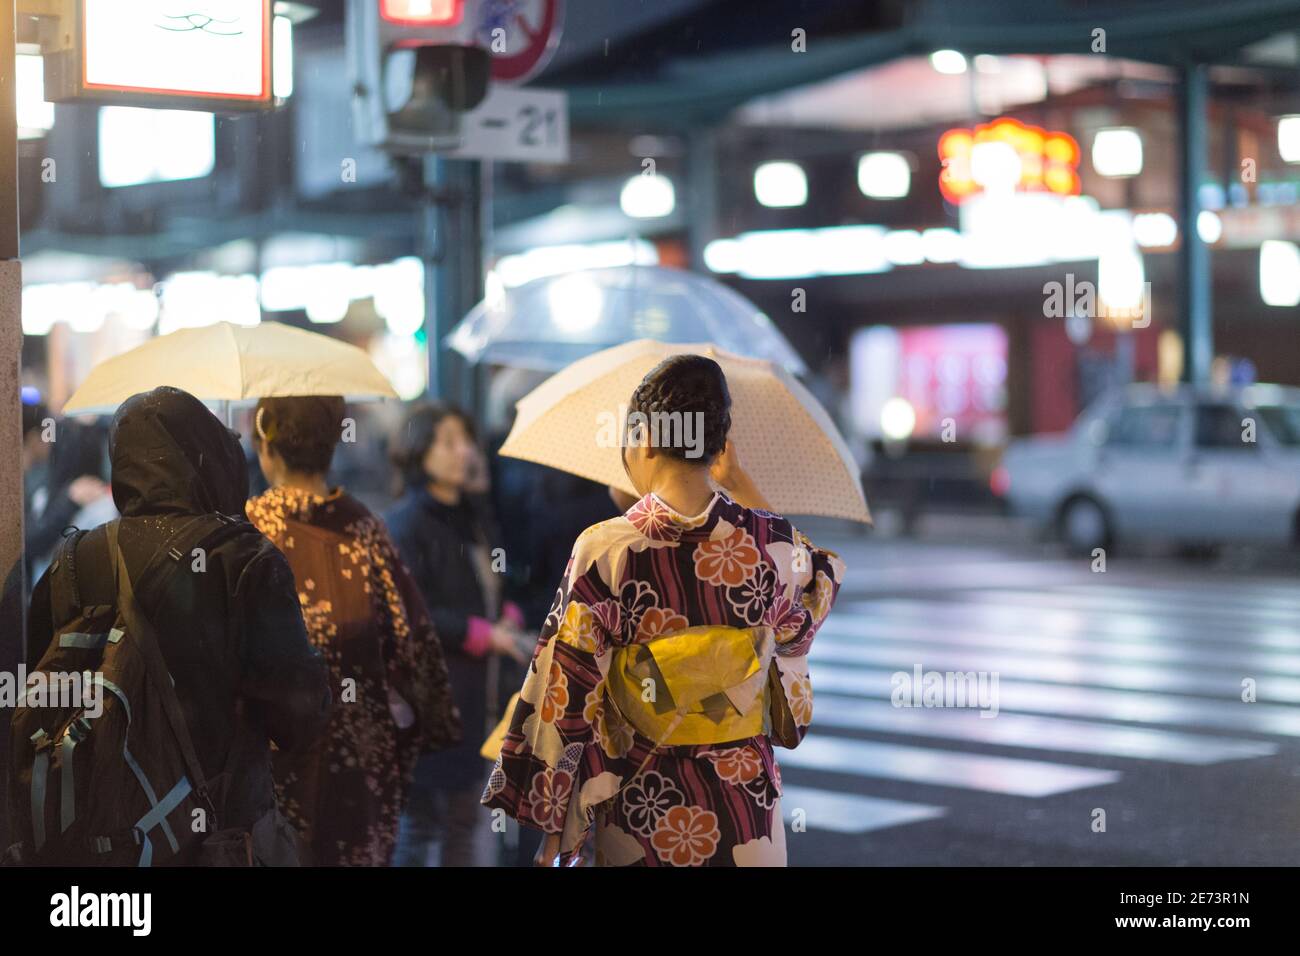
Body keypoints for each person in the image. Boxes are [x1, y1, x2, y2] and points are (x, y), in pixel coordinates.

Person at [481, 355, 846, 866]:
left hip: (644, 803)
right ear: (718, 447)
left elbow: (564, 692)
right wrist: (739, 484)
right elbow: (818, 579)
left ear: (646, 441)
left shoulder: (608, 549)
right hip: (748, 812)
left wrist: (554, 823)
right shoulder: (775, 545)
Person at [23, 386, 333, 863]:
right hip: (216, 837)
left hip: (97, 843)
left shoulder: (72, 561)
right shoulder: (246, 560)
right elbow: (297, 720)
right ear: (207, 457)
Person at [245, 396, 460, 866]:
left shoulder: (245, 531)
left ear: (266, 447)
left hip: (270, 759)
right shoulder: (363, 527)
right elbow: (413, 641)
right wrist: (435, 723)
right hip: (359, 763)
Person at [385, 401, 528, 867]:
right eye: (448, 441)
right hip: (431, 696)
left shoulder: (473, 513)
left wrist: (504, 612)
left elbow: (497, 578)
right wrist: (482, 633)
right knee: (422, 824)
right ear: (419, 450)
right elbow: (411, 610)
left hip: (479, 693)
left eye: (465, 439)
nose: (462, 451)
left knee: (466, 819)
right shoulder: (406, 521)